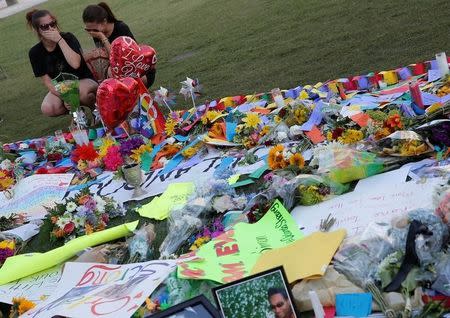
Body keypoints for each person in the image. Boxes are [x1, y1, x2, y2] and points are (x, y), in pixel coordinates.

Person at [27, 9, 98, 117]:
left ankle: (96, 111)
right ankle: (79, 115)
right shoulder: (35, 52)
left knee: (80, 93)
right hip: (61, 87)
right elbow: (48, 82)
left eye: (53, 24)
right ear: (37, 30)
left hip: (83, 80)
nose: (51, 28)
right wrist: (65, 97)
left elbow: (75, 64)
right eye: (45, 27)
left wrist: (60, 40)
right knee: (48, 108)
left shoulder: (68, 38)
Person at [82, 2, 156, 87]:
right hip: (120, 73)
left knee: (113, 75)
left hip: (140, 72)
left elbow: (121, 61)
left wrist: (103, 38)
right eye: (88, 30)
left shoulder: (120, 28)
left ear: (104, 22)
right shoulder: (97, 33)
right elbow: (109, 61)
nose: (91, 32)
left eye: (93, 29)